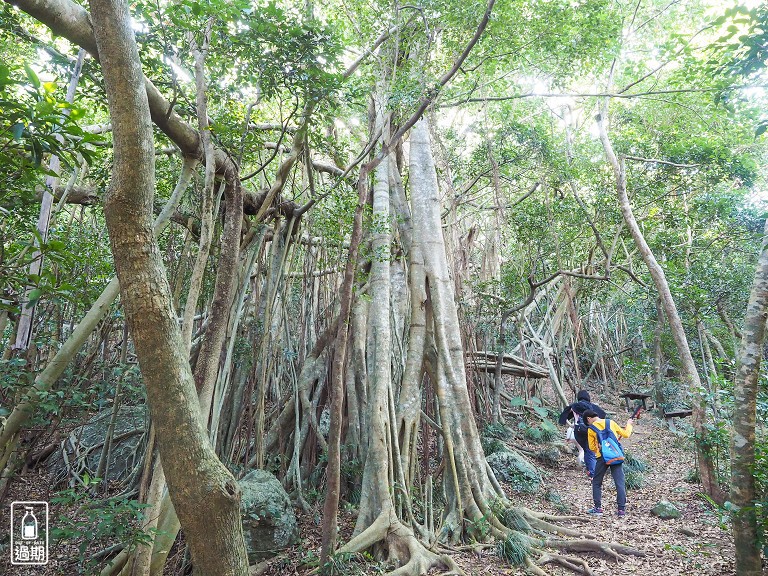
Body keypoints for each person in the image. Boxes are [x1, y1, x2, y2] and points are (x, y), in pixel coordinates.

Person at [582, 409, 634, 517]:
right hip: (615, 456)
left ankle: (598, 508)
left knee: (596, 482)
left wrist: (600, 449)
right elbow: (626, 434)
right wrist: (629, 424)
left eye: (587, 422)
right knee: (619, 483)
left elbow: (591, 447)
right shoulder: (610, 422)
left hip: (602, 458)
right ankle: (621, 510)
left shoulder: (591, 429)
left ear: (588, 418)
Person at [557, 390, 606, 478]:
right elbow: (602, 415)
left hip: (578, 432)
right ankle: (593, 473)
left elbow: (563, 417)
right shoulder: (593, 407)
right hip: (589, 431)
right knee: (590, 451)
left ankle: (589, 470)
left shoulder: (574, 406)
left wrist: (570, 425)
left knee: (585, 450)